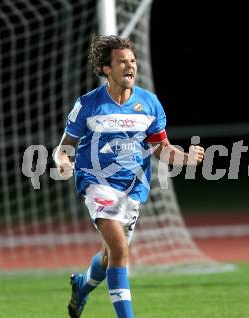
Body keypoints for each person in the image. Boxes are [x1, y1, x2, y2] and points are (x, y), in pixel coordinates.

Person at [54, 35, 204, 318]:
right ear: (105, 69)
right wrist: (63, 162)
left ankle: (82, 286)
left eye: (132, 61)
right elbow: (64, 148)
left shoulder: (149, 104)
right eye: (121, 61)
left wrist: (185, 158)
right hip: (96, 182)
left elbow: (162, 148)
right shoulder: (88, 105)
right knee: (120, 249)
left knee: (110, 255)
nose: (129, 66)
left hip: (133, 189)